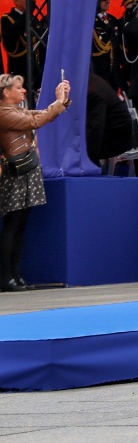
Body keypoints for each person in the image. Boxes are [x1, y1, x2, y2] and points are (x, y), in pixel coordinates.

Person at [0, 74, 69, 291]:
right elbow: (35, 121)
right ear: (5, 92)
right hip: (16, 172)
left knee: (21, 224)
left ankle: (16, 275)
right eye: (18, 87)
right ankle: (6, 277)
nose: (23, 91)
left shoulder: (17, 110)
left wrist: (61, 101)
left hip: (26, 170)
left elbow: (39, 115)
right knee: (13, 223)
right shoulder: (3, 113)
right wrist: (58, 103)